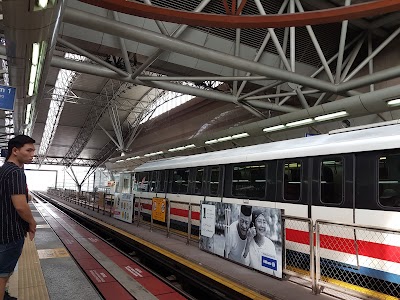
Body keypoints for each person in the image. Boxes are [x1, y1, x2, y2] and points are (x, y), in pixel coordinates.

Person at [0, 135, 36, 300]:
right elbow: (21, 206)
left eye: (33, 150)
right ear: (15, 151)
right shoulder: (16, 172)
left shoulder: (3, 169)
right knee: (2, 276)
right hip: (10, 233)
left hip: (2, 230)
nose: (32, 154)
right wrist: (32, 222)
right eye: (28, 150)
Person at [243, 209, 278, 277]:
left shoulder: (270, 245)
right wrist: (248, 240)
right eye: (259, 221)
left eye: (264, 222)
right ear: (253, 225)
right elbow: (244, 263)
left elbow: (274, 270)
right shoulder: (248, 243)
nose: (262, 225)